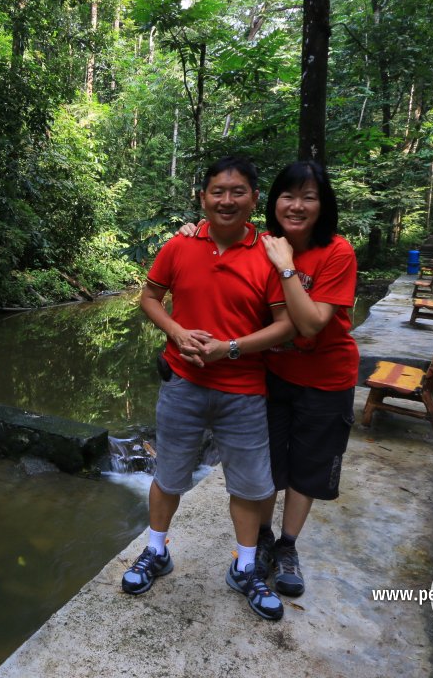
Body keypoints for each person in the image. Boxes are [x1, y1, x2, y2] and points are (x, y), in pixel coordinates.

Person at [124, 155, 295, 622]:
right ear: (203, 198)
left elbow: (285, 326)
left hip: (244, 390)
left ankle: (245, 568)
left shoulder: (269, 253)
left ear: (253, 200)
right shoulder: (178, 246)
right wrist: (177, 333)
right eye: (217, 191)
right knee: (170, 475)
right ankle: (156, 552)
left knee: (251, 484)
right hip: (183, 383)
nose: (226, 200)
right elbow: (150, 297)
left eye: (237, 191)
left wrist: (232, 348)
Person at [177, 159, 358, 600]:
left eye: (308, 197)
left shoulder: (336, 251)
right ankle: (258, 541)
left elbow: (312, 324)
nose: (296, 206)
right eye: (288, 196)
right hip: (271, 374)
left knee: (307, 470)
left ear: (323, 204)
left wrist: (286, 267)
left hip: (326, 378)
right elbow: (220, 232)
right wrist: (191, 231)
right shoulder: (260, 241)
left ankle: (287, 546)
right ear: (271, 201)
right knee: (266, 469)